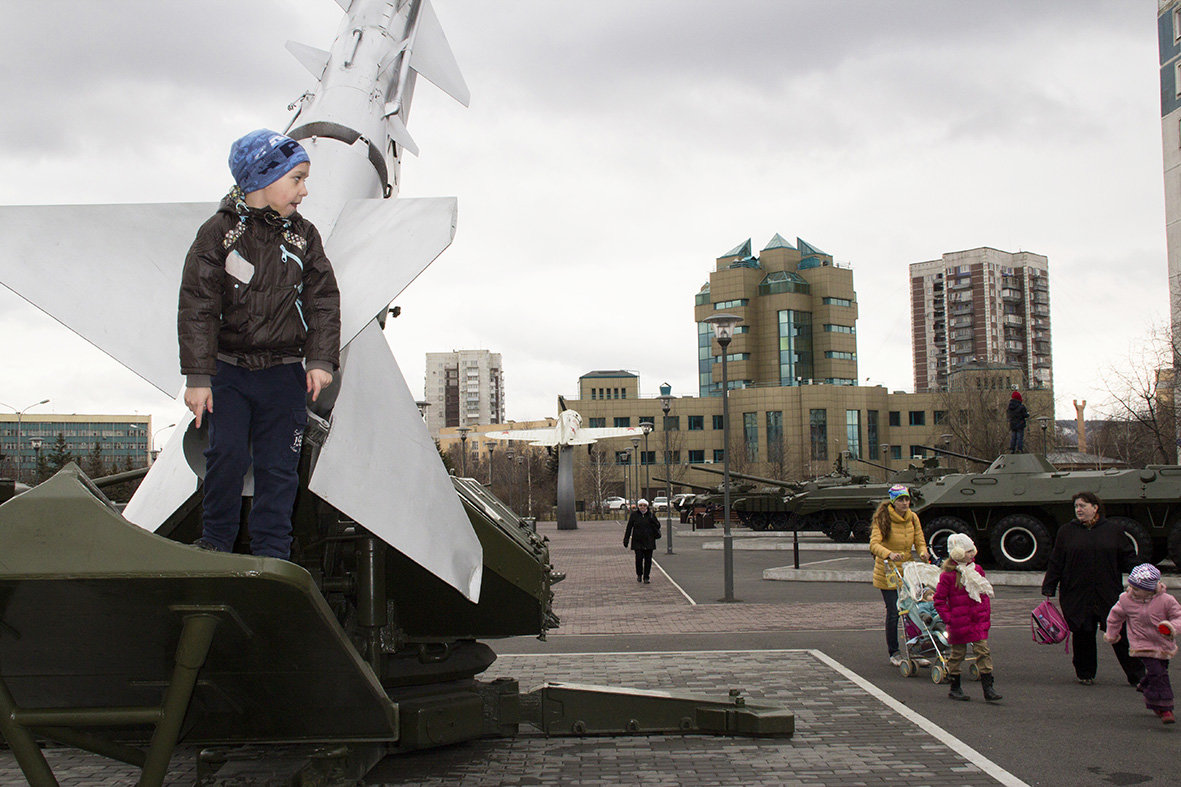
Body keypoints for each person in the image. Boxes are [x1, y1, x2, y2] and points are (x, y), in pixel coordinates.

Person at [179, 129, 341, 560]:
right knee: (225, 457)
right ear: (262, 179)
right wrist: (198, 377)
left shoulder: (304, 236)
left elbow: (323, 298)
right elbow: (197, 303)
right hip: (227, 372)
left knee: (279, 468)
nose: (304, 191)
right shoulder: (218, 233)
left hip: (284, 374)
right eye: (297, 179)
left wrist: (320, 359)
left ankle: (273, 554)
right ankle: (215, 544)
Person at [1041, 491, 1145, 686]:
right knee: (1082, 632)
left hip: (1108, 592)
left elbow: (1128, 557)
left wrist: (1143, 576)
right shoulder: (1066, 532)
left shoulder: (1113, 530)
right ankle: (1085, 672)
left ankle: (1137, 675)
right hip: (1076, 593)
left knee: (1119, 633)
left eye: (1083, 505)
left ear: (1095, 507)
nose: (1078, 510)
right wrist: (1049, 586)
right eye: (1076, 507)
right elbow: (1056, 561)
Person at [1104, 564, 1181, 724]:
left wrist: (1171, 627)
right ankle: (1166, 709)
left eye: (1137, 589)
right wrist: (1112, 634)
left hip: (1163, 644)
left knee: (1159, 671)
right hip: (1141, 644)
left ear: (1151, 589)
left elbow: (1178, 616)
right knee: (1159, 674)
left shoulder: (1166, 600)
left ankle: (1146, 685)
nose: (1131, 590)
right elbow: (1115, 617)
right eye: (1131, 586)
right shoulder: (1126, 599)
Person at [933, 533, 1001, 702]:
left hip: (976, 620)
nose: (972, 554)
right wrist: (949, 619)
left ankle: (988, 688)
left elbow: (983, 595)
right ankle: (955, 686)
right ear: (956, 553)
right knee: (957, 654)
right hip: (958, 623)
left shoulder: (976, 570)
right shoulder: (948, 575)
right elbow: (939, 600)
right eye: (968, 551)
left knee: (983, 651)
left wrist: (984, 614)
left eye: (972, 550)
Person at [869, 484, 929, 666]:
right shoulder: (883, 518)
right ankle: (894, 652)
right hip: (888, 570)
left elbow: (919, 540)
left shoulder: (913, 518)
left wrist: (923, 552)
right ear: (893, 502)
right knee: (895, 611)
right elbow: (874, 544)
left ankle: (916, 650)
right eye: (900, 500)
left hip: (908, 569)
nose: (905, 503)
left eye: (907, 499)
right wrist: (888, 553)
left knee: (913, 611)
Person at [624, 498, 661, 583]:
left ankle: (646, 577)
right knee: (639, 559)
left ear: (647, 506)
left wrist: (653, 521)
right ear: (638, 506)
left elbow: (658, 526)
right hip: (638, 541)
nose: (642, 507)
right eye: (640, 505)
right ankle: (639, 574)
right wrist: (626, 539)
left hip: (649, 540)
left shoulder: (651, 515)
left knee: (648, 560)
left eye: (644, 505)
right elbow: (629, 527)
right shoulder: (634, 515)